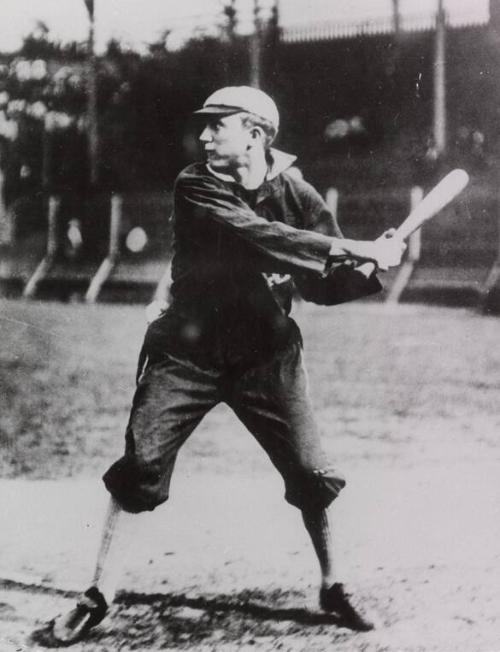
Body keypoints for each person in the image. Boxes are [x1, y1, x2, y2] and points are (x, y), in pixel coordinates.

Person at [39, 86, 405, 645]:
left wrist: (375, 258)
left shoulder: (297, 192)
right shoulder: (197, 184)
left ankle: (334, 585)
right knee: (142, 465)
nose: (204, 136)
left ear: (255, 135)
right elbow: (257, 237)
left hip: (266, 353)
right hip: (187, 350)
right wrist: (353, 247)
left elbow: (323, 285)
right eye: (204, 127)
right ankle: (96, 595)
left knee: (311, 473)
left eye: (218, 126)